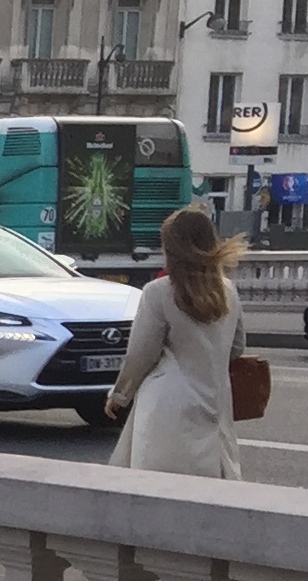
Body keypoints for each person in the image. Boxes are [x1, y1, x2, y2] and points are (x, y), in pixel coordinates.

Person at [105, 204, 249, 480]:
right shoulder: (228, 292)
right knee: (210, 495)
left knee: (154, 492)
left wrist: (120, 395)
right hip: (215, 403)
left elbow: (141, 354)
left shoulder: (158, 292)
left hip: (165, 405)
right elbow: (237, 347)